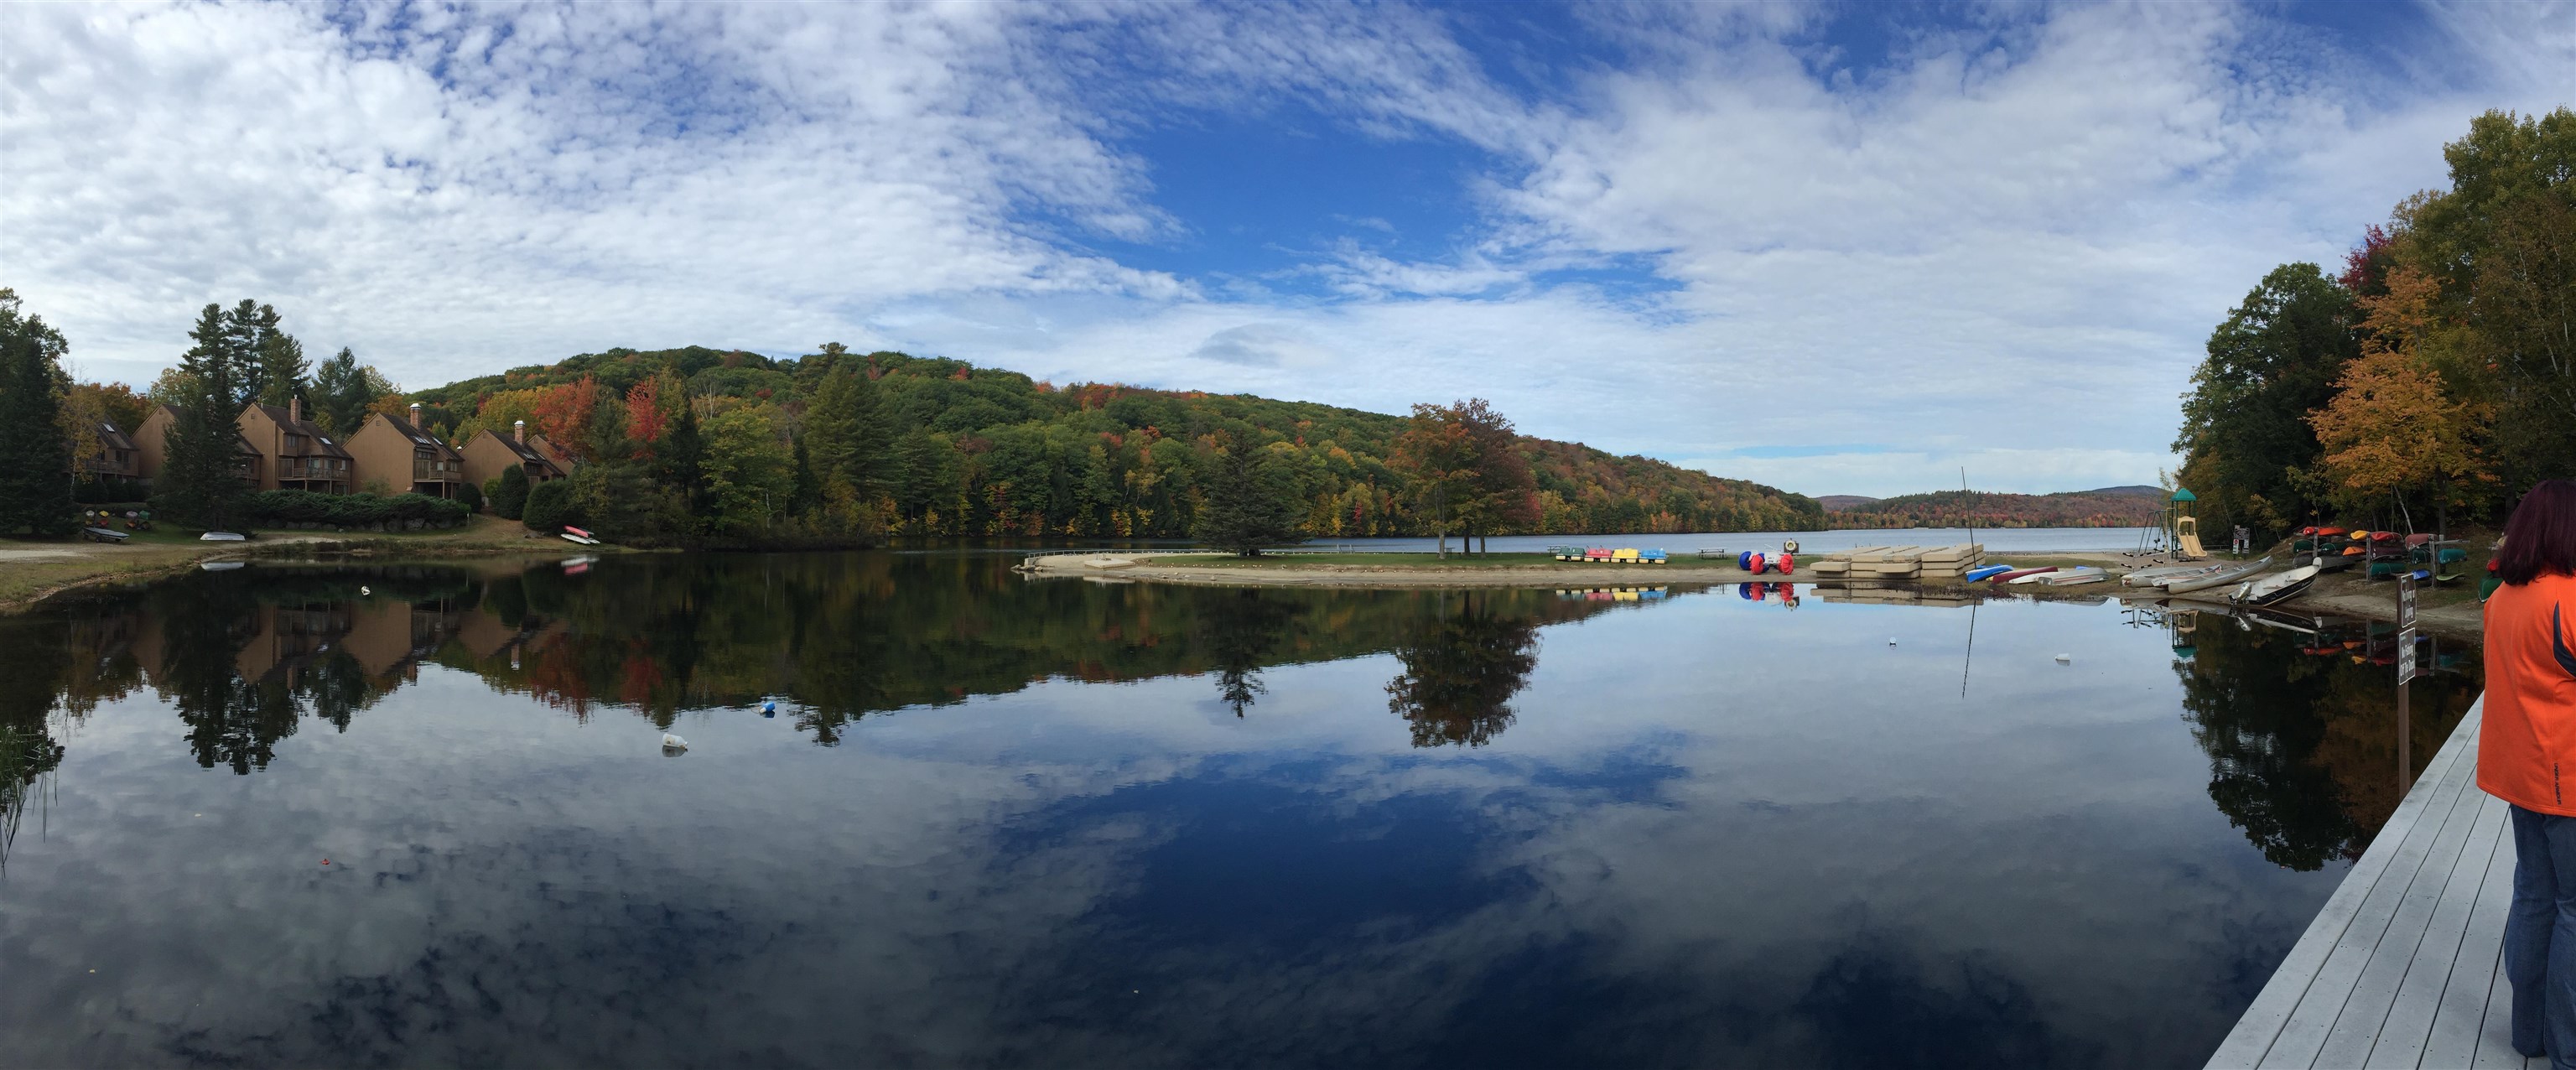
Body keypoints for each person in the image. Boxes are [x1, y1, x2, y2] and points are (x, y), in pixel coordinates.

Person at [2479, 480, 2576, 1065]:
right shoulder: (2569, 598)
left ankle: (2530, 1035)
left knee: (2536, 897)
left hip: (2521, 777)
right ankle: (2568, 1051)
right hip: (2567, 783)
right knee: (2572, 910)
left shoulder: (2501, 599)